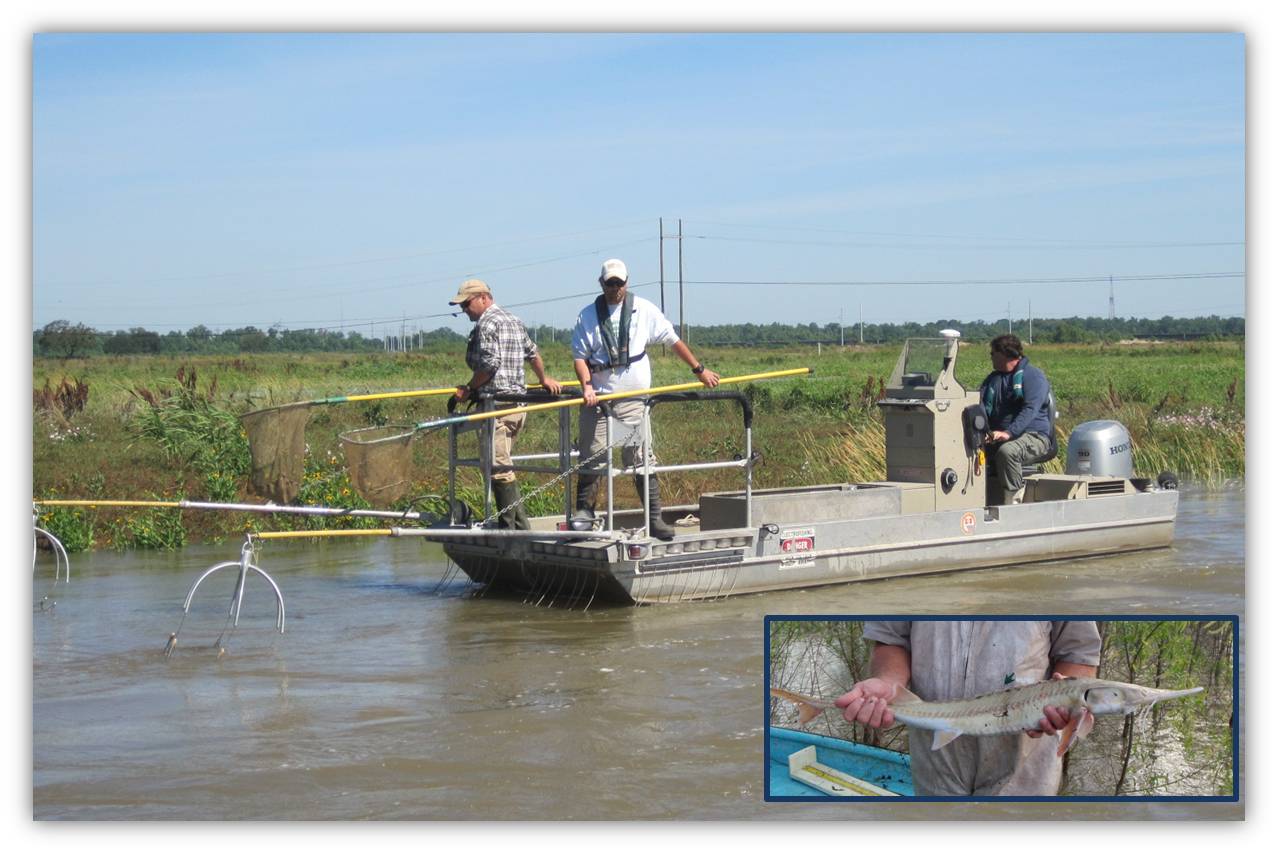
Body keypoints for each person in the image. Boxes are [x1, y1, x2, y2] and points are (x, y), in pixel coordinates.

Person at [834, 620, 1101, 796]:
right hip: (935, 753)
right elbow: (891, 638)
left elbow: (1079, 655)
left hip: (1024, 762)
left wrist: (1064, 698)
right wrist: (888, 682)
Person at [569, 258, 720, 540]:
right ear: (601, 283)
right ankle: (584, 514)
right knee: (593, 454)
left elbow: (672, 339)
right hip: (599, 400)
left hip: (635, 400)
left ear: (627, 282)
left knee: (640, 458)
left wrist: (699, 369)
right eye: (610, 283)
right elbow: (579, 356)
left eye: (619, 283)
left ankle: (654, 519)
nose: (615, 288)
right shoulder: (587, 315)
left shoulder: (644, 309)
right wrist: (587, 386)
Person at [449, 278, 561, 529]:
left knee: (498, 468)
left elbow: (489, 365)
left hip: (497, 408)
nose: (464, 310)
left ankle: (512, 528)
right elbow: (533, 353)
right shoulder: (513, 319)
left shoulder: (487, 324)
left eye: (466, 304)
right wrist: (544, 379)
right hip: (517, 408)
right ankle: (516, 525)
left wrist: (469, 388)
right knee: (501, 465)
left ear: (483, 298)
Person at [979, 333, 1054, 504]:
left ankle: (1013, 502)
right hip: (1000, 435)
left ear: (1004, 354)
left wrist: (1008, 432)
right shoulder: (993, 379)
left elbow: (1030, 409)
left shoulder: (1033, 376)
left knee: (1008, 451)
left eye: (993, 353)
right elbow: (980, 405)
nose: (990, 356)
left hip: (1034, 436)